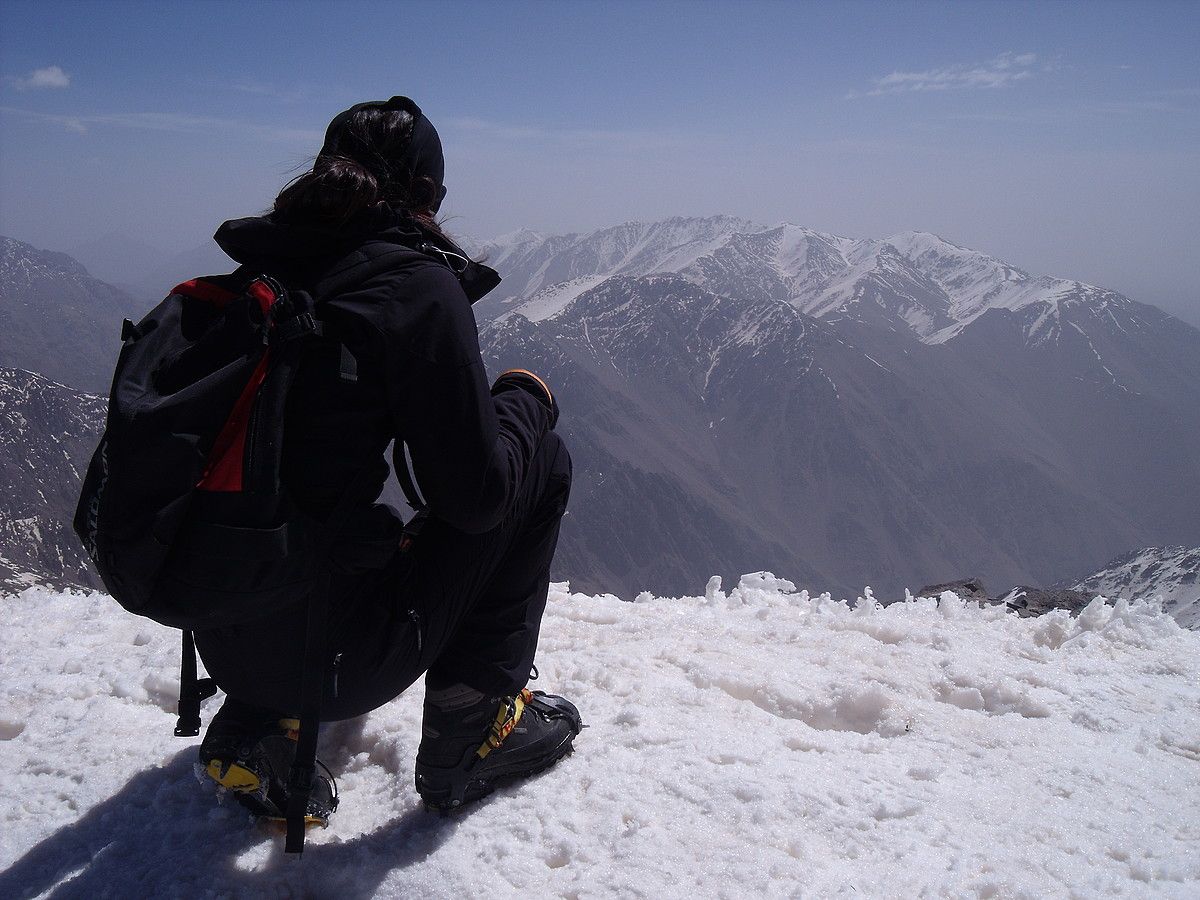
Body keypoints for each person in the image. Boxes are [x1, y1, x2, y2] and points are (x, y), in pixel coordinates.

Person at [192, 96, 581, 824]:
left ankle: (256, 725)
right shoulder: (412, 290)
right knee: (542, 460)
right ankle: (473, 726)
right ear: (429, 198)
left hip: (223, 631)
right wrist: (524, 400)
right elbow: (477, 498)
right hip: (337, 663)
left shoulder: (259, 276)